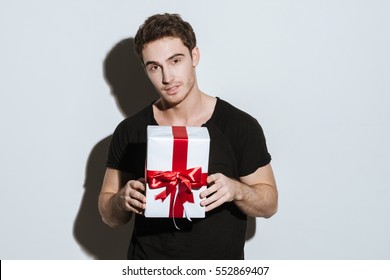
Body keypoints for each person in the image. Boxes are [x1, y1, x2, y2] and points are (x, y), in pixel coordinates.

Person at [98, 13, 278, 260]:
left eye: (175, 61)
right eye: (154, 67)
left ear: (194, 56)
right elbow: (109, 213)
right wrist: (121, 199)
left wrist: (237, 190)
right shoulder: (130, 131)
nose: (167, 77)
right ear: (145, 69)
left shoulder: (240, 125)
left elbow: (269, 204)